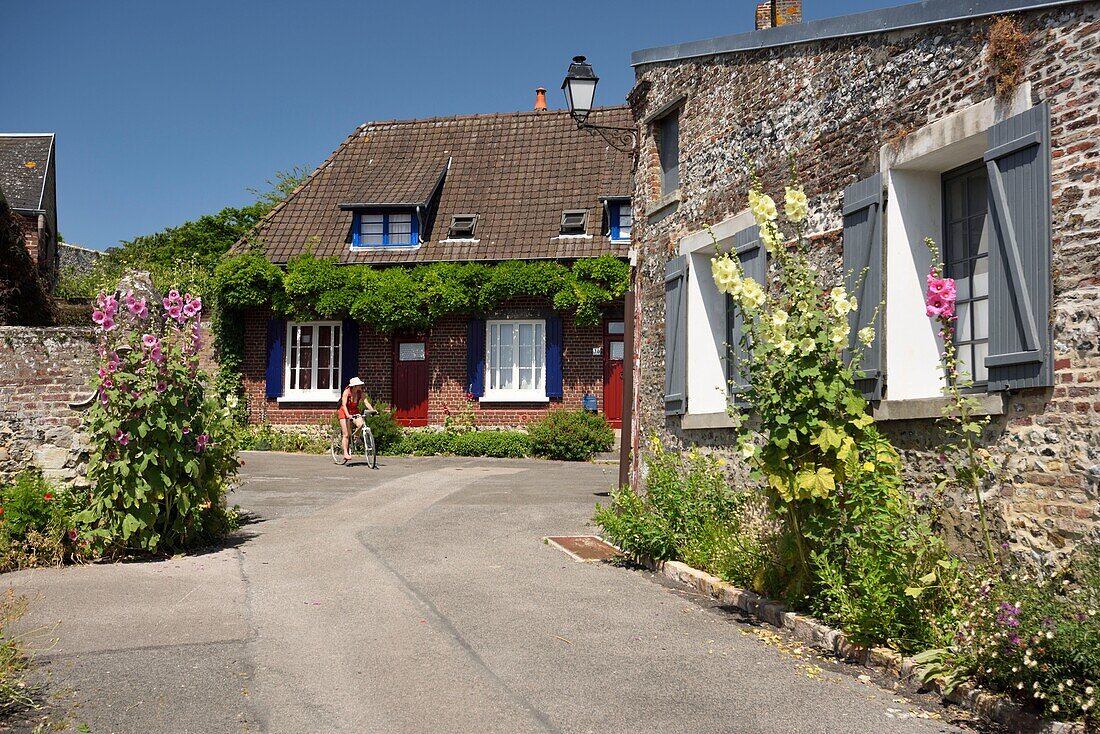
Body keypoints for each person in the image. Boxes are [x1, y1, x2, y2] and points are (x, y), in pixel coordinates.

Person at [338, 376, 377, 461]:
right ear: (354, 386)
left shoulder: (360, 393)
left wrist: (373, 411)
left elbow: (366, 403)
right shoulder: (346, 392)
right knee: (346, 434)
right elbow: (344, 405)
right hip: (344, 412)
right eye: (359, 385)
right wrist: (348, 415)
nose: (360, 386)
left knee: (361, 424)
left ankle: (356, 437)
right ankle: (345, 453)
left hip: (354, 411)